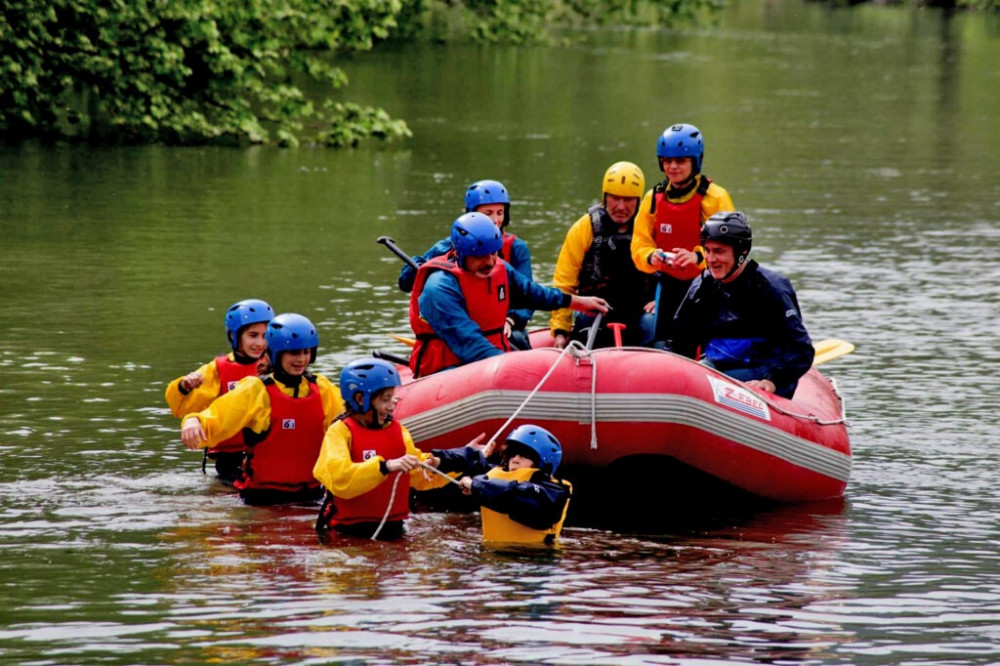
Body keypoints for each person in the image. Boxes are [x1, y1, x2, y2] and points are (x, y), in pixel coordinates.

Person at [409, 212, 609, 378]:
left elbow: (533, 294)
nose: (489, 262)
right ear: (460, 253)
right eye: (480, 256)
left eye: (494, 253)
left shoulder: (499, 269)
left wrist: (577, 302)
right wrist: (518, 370)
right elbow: (470, 344)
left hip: (493, 364)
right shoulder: (439, 289)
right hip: (447, 373)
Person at [180, 313, 345, 505]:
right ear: (276, 353)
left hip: (312, 497)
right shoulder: (256, 390)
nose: (301, 359)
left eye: (306, 352)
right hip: (262, 500)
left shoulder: (322, 388)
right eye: (293, 353)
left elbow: (352, 420)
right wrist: (193, 420)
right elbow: (216, 417)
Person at [664, 212, 814, 399]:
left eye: (719, 251)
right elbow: (680, 342)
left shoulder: (772, 288)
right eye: (707, 250)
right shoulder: (701, 286)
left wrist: (772, 381)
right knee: (693, 377)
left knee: (707, 382)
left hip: (763, 371)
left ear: (742, 253)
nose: (710, 259)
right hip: (717, 367)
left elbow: (801, 350)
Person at [313, 358, 446, 540]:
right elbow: (340, 479)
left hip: (394, 528)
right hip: (347, 532)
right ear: (360, 399)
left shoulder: (398, 430)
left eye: (393, 397)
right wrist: (385, 467)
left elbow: (418, 474)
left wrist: (458, 461)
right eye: (385, 399)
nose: (393, 405)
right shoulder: (339, 432)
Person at [630, 123, 735, 345]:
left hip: (709, 286)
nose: (673, 167)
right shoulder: (653, 198)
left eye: (680, 161)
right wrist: (651, 256)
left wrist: (697, 257)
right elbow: (639, 243)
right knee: (665, 342)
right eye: (667, 161)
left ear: (694, 162)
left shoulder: (715, 198)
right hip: (669, 286)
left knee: (702, 343)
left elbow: (730, 246)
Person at [398, 179, 535, 349]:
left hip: (503, 325)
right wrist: (421, 266)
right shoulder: (449, 246)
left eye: (500, 213)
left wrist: (511, 320)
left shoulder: (516, 248)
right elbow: (405, 283)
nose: (494, 220)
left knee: (517, 339)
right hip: (461, 324)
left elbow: (529, 295)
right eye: (488, 213)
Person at [165, 298, 274, 483]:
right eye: (253, 335)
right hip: (230, 459)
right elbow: (181, 409)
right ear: (235, 337)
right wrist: (184, 386)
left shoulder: (278, 365)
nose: (260, 343)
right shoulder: (215, 370)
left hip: (267, 453)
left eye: (265, 336)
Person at [550, 161, 656, 349]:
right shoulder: (585, 228)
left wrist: (659, 300)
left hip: (640, 311)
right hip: (594, 308)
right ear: (605, 197)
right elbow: (564, 284)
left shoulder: (649, 227)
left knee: (652, 325)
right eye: (615, 198)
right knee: (586, 328)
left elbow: (669, 273)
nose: (621, 207)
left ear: (639, 201)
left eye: (628, 200)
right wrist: (560, 331)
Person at [431, 424, 572, 546]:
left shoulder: (554, 491)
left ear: (543, 463)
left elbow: (516, 495)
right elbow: (472, 460)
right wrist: (441, 460)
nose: (515, 459)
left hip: (533, 562)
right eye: (513, 453)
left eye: (524, 455)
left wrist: (476, 485)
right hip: (493, 559)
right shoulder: (493, 476)